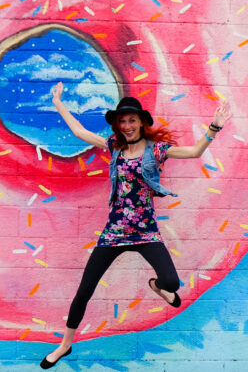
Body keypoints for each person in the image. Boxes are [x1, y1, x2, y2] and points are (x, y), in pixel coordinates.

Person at [40, 82, 231, 369]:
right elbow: (80, 132)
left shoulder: (157, 151)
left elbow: (193, 152)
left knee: (171, 283)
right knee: (84, 290)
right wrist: (57, 103)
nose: (127, 125)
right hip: (114, 232)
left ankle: (157, 287)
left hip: (145, 231)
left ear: (141, 122)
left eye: (132, 120)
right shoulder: (114, 147)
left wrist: (214, 128)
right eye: (122, 121)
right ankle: (65, 344)